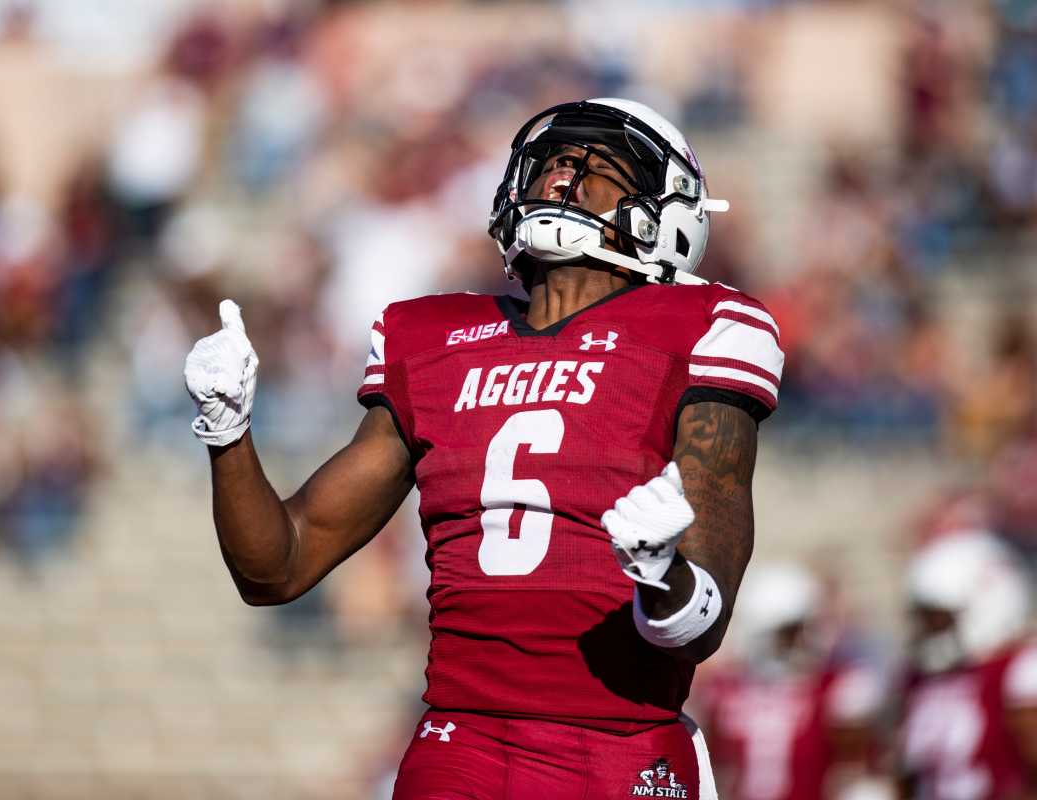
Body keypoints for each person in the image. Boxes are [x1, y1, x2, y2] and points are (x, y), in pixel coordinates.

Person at [184, 98, 785, 798]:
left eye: (603, 166)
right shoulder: (431, 334)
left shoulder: (701, 324)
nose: (567, 174)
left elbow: (700, 622)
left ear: (669, 213)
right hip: (459, 743)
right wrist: (227, 434)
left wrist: (662, 575)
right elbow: (276, 567)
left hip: (619, 743)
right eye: (555, 159)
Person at [699, 563, 889, 800]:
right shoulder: (724, 689)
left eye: (806, 628)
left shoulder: (835, 687)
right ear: (759, 632)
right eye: (791, 632)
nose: (804, 640)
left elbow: (860, 774)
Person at [896, 530, 1037, 800]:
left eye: (937, 619)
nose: (927, 631)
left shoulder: (1021, 671)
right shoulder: (920, 679)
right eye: (923, 619)